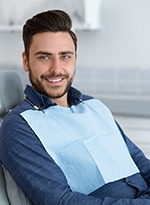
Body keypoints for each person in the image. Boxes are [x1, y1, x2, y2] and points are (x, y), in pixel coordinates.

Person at [0, 10, 150, 205]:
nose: (56, 68)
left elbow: (140, 163)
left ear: (74, 59)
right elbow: (61, 201)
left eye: (65, 56)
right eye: (44, 57)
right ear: (26, 61)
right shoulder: (19, 127)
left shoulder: (93, 106)